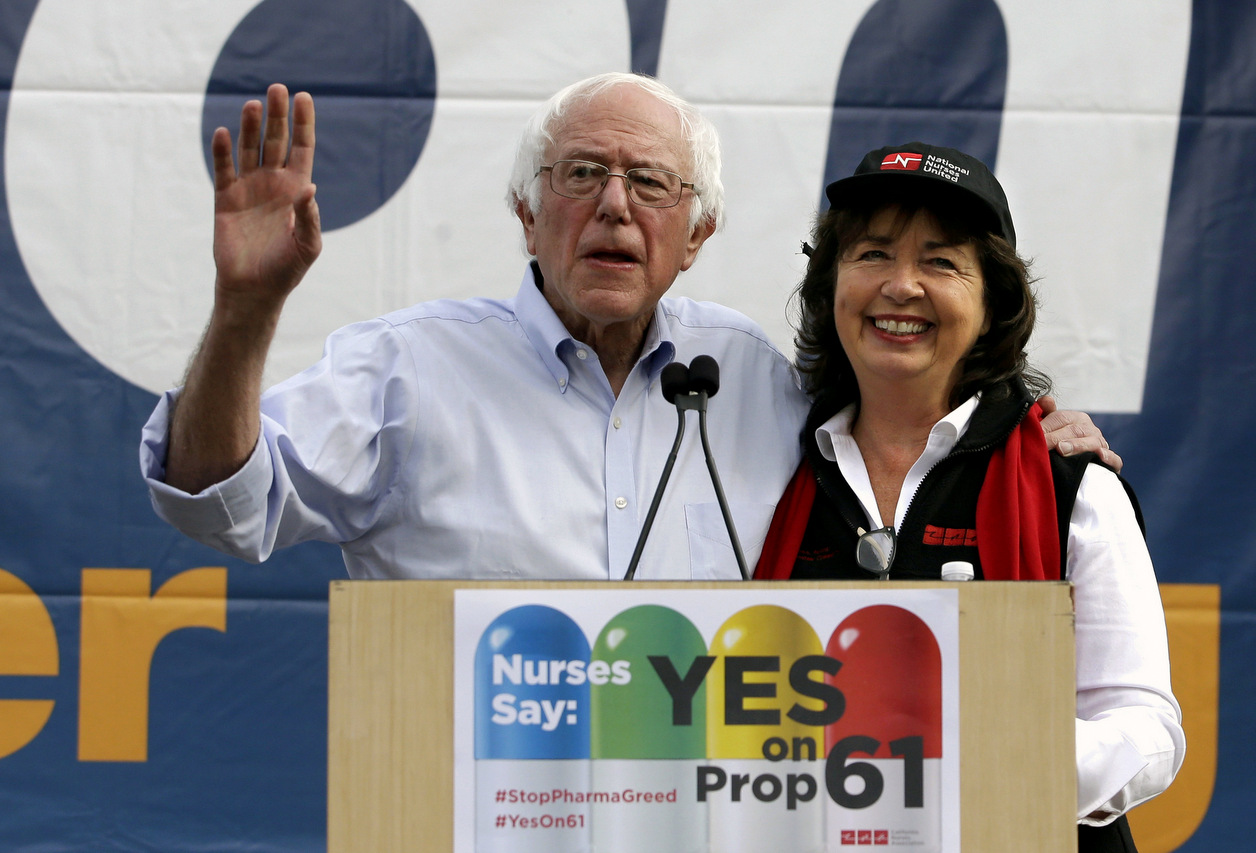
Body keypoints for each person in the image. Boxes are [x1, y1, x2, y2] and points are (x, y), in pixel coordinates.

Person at [141, 72, 1117, 581]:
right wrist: (246, 311)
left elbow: (908, 410)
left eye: (649, 183)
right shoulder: (408, 370)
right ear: (527, 210)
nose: (614, 206)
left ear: (694, 234)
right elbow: (215, 501)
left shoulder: (747, 375)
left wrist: (1032, 427)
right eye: (579, 175)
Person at [753, 143, 1182, 851]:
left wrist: (969, 765)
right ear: (832, 284)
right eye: (872, 255)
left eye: (941, 262)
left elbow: (1146, 729)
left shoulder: (1070, 482)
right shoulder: (765, 470)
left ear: (993, 305)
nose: (901, 286)